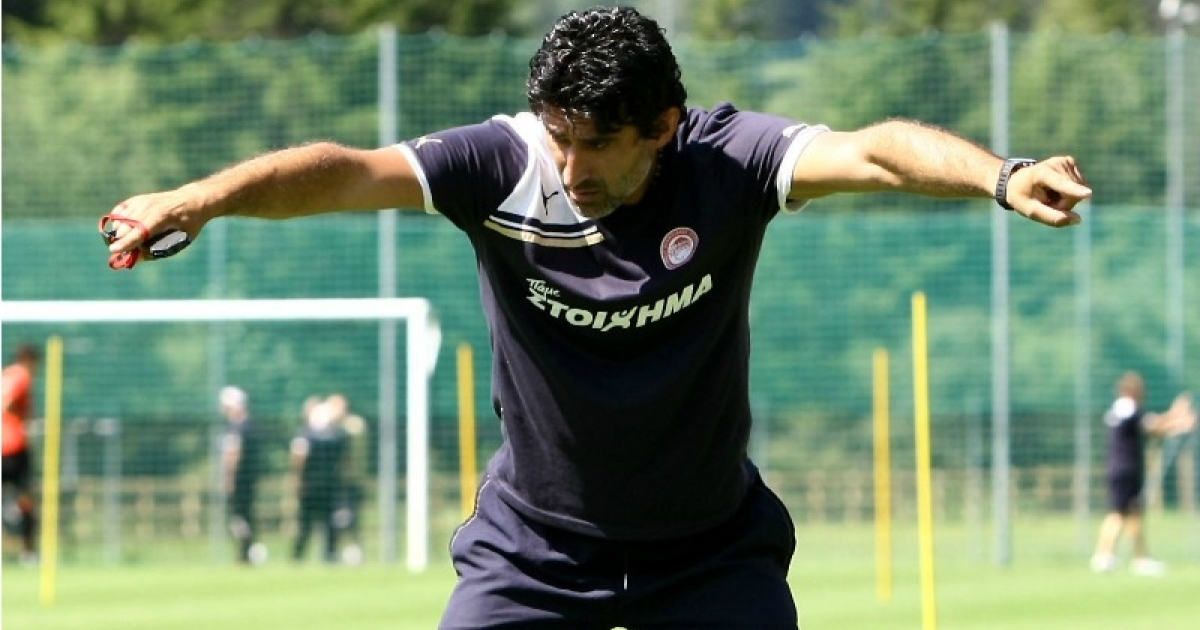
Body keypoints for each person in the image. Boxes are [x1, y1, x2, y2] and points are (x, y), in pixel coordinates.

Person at [100, 6, 1091, 628]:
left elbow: (875, 150)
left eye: (596, 144)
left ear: (662, 128)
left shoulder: (731, 160)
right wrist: (201, 198)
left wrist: (1000, 176)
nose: (570, 167)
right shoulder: (503, 166)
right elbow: (346, 172)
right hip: (533, 551)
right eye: (558, 137)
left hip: (710, 554)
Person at [1089, 371, 1195, 576]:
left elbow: (1150, 426)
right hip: (1125, 470)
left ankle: (1139, 558)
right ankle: (1105, 555)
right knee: (1118, 513)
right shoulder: (1127, 407)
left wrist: (1176, 422)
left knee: (1133, 514)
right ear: (1134, 390)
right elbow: (1152, 424)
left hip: (1121, 469)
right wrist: (1177, 416)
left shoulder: (1121, 409)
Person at [289, 398, 347, 563]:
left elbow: (299, 458)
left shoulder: (305, 435)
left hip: (310, 486)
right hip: (330, 485)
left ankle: (298, 556)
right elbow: (344, 462)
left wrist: (297, 479)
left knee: (306, 522)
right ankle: (329, 554)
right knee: (328, 523)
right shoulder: (337, 436)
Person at [218, 385, 266, 565]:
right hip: (250, 479)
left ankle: (247, 550)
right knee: (246, 516)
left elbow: (233, 454)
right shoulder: (251, 426)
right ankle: (248, 550)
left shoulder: (236, 428)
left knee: (238, 517)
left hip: (240, 480)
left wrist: (228, 478)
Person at [2, 344, 41, 564]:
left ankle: (8, 507)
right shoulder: (21, 376)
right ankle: (28, 552)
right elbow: (7, 403)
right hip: (14, 446)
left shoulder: (5, 375)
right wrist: (25, 414)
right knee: (26, 498)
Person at [325, 393, 369, 566]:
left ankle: (354, 550)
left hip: (351, 482)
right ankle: (333, 552)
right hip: (335, 482)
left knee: (349, 518)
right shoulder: (334, 427)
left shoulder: (353, 425)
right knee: (333, 519)